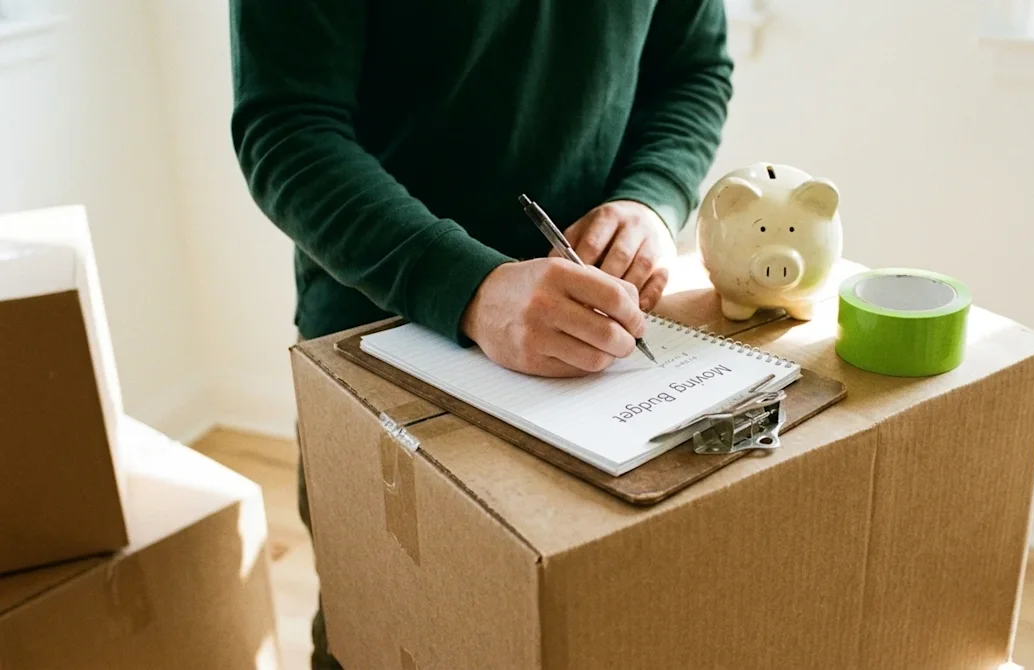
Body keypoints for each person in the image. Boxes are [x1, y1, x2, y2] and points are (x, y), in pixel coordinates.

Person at [228, 1, 734, 666]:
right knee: (378, 633)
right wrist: (467, 287)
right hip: (379, 337)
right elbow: (286, 128)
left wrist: (652, 198)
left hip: (599, 349)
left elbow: (693, 71)